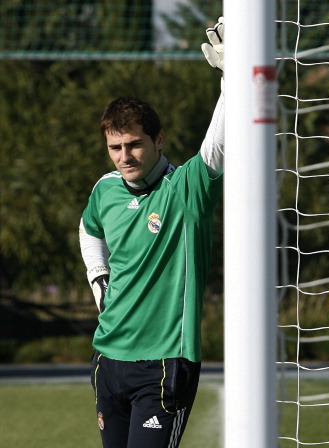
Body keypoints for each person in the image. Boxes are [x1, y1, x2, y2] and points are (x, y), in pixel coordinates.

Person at [79, 18, 225, 448]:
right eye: (115, 147)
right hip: (108, 358)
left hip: (164, 364)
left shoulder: (186, 188)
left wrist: (232, 81)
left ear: (158, 140)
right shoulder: (105, 189)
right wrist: (99, 279)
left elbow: (218, 145)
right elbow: (88, 229)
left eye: (134, 144)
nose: (124, 156)